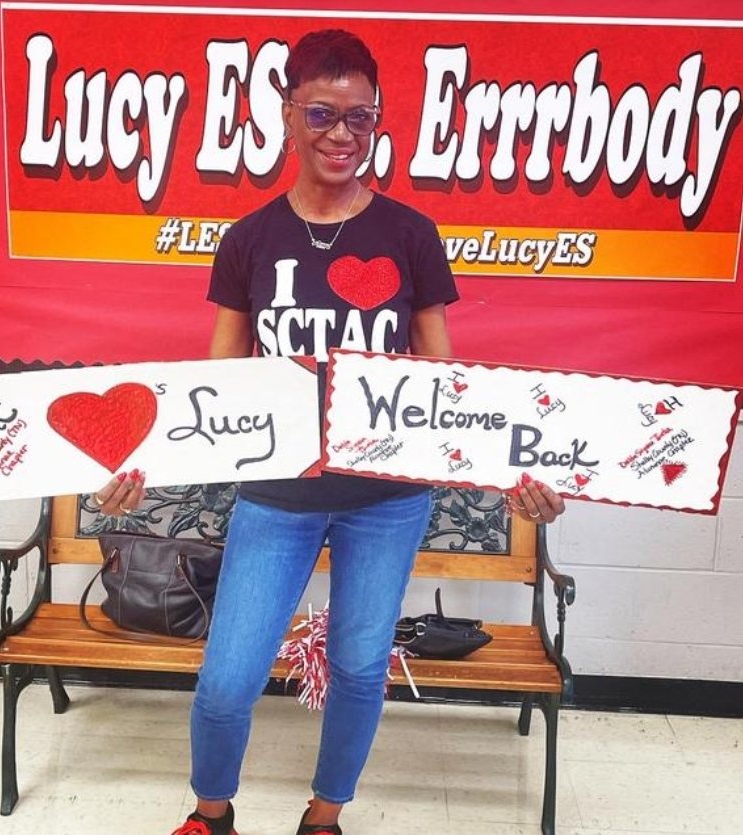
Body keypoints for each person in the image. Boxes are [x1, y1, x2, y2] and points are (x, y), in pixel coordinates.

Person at [93, 29, 565, 835]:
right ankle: (213, 815)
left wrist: (511, 473)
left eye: (363, 117)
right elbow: (217, 384)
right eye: (322, 112)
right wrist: (138, 459)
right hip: (277, 496)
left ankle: (324, 816)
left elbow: (446, 389)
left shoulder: (411, 234)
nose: (343, 134)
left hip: (386, 500)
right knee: (227, 679)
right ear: (286, 112)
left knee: (354, 667)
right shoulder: (248, 240)